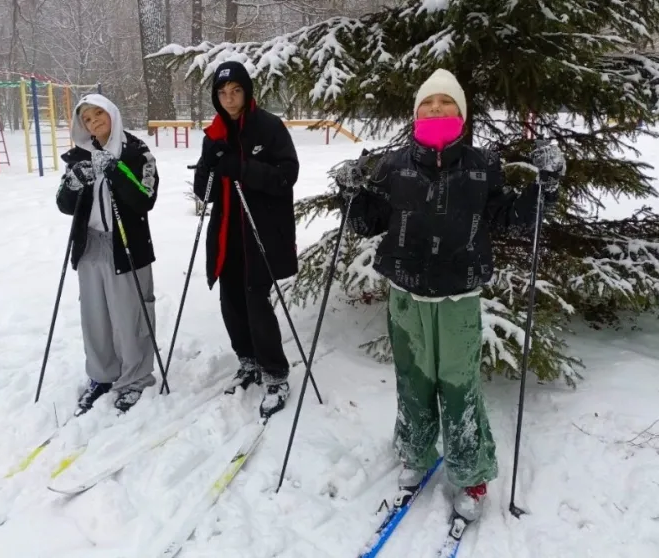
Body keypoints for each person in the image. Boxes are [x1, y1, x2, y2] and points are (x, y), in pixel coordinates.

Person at [334, 69, 566, 522]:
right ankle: (417, 453)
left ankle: (471, 472)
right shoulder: (394, 165)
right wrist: (350, 194)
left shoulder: (482, 166)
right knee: (413, 381)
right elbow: (368, 221)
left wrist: (546, 187)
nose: (436, 108)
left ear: (461, 112)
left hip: (459, 297)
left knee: (460, 386)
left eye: (446, 102)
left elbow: (508, 217)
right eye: (428, 103)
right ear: (416, 112)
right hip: (406, 295)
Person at [193, 61, 300, 419]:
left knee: (256, 302)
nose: (229, 99)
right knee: (231, 302)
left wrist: (242, 168)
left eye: (236, 91)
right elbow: (204, 193)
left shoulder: (268, 127)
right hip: (227, 235)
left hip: (261, 231)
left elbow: (287, 175)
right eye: (223, 93)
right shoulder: (214, 133)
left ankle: (275, 373)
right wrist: (208, 165)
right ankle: (248, 361)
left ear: (247, 91)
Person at [55, 93, 160, 416]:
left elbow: (145, 198)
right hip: (90, 245)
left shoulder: (136, 152)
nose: (94, 122)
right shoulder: (79, 157)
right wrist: (74, 182)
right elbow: (64, 204)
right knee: (95, 317)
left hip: (127, 245)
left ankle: (136, 377)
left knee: (130, 316)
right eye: (87, 119)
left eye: (98, 114)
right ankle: (102, 375)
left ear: (111, 113)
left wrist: (115, 170)